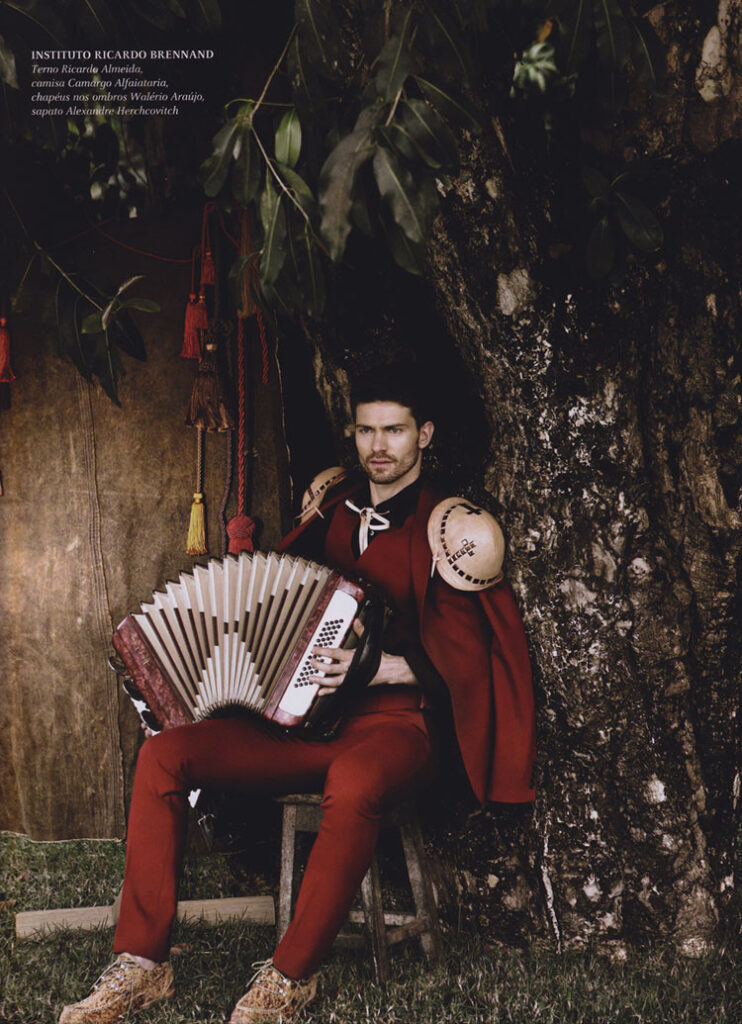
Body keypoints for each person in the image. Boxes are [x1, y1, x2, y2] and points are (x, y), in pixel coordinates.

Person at [59, 363, 536, 1024]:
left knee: (356, 779)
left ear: (423, 434)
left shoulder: (452, 528)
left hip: (399, 729)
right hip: (305, 725)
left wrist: (386, 668)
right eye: (367, 430)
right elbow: (274, 603)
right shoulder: (332, 509)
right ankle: (142, 965)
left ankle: (289, 979)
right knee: (164, 756)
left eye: (395, 430)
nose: (379, 446)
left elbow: (476, 654)